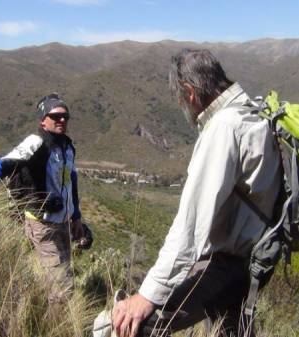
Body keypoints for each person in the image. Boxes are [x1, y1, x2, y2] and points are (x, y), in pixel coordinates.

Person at [111, 49, 282, 337]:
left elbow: (190, 228)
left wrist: (147, 295)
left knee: (138, 327)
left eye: (180, 99)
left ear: (190, 93)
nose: (183, 106)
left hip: (229, 263)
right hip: (256, 259)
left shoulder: (224, 127)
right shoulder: (254, 111)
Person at [0, 93, 84, 302]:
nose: (62, 120)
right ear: (43, 120)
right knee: (63, 289)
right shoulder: (35, 141)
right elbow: (10, 161)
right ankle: (56, 327)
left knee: (63, 275)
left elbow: (71, 181)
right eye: (55, 116)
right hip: (42, 224)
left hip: (63, 222)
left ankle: (47, 312)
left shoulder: (67, 146)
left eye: (65, 117)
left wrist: (76, 216)